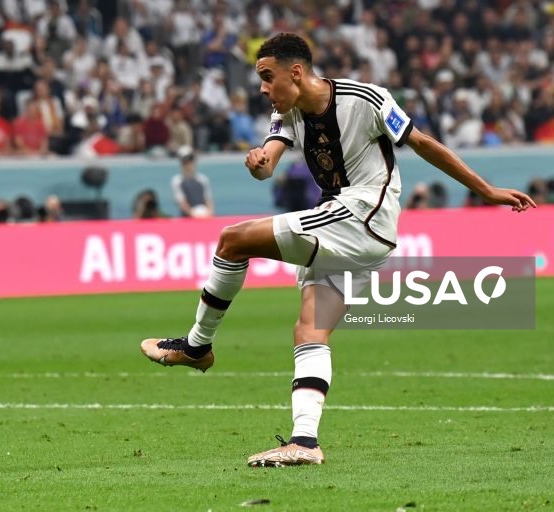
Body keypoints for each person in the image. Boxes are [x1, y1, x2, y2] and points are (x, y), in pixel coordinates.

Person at [140, 33, 535, 468]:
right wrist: (259, 162)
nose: (263, 88)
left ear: (296, 72)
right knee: (310, 330)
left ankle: (197, 346)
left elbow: (421, 143)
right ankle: (305, 442)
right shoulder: (287, 113)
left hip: (363, 216)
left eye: (268, 77)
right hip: (350, 233)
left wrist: (486, 191)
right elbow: (269, 162)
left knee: (233, 240)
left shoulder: (365, 99)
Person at [171, 145, 214, 218]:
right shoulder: (177, 181)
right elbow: (181, 202)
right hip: (187, 219)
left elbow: (208, 200)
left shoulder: (203, 179)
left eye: (190, 160)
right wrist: (194, 214)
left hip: (205, 217)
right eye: (185, 161)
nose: (188, 164)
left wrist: (209, 213)